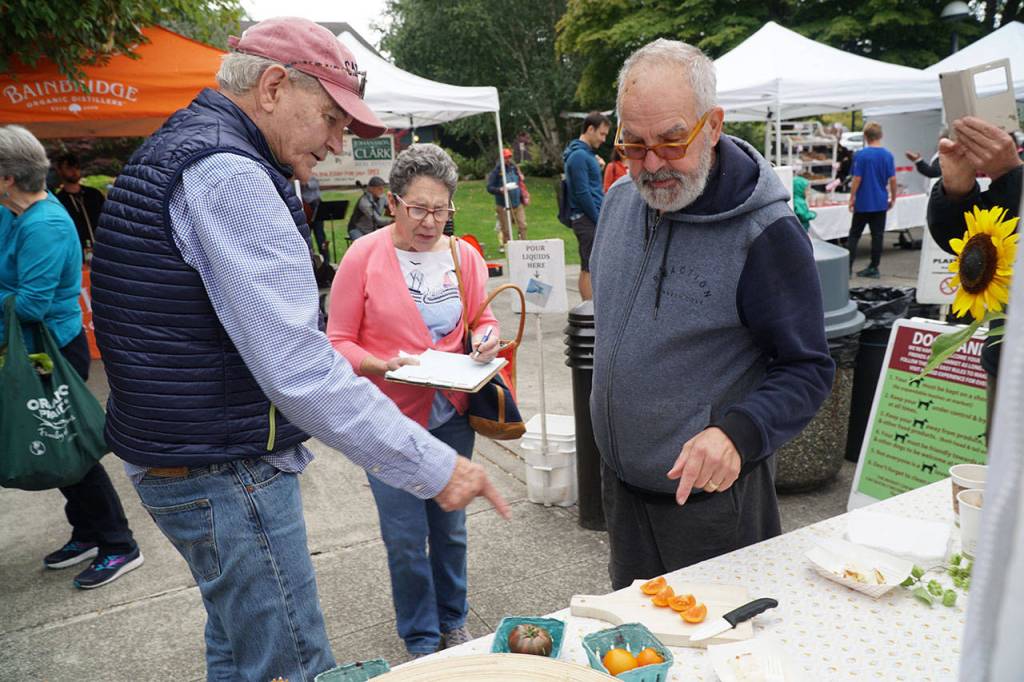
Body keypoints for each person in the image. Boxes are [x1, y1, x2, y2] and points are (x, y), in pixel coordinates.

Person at [88, 18, 508, 682]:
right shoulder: (229, 172)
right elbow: (300, 365)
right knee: (292, 665)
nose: (339, 141)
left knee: (238, 651)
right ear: (275, 87)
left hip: (182, 458)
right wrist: (431, 464)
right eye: (331, 118)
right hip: (224, 469)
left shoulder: (185, 145)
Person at [590, 39, 834, 589]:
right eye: (634, 144)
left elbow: (808, 367)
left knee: (722, 655)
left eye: (672, 141)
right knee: (642, 649)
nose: (651, 165)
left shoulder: (766, 233)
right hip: (623, 494)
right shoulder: (618, 204)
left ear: (714, 125)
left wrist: (738, 434)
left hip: (714, 505)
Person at [328, 144, 500, 657]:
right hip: (385, 420)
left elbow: (482, 319)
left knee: (450, 528)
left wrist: (486, 338)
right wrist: (378, 365)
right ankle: (422, 639)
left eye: (441, 210)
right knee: (405, 539)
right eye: (419, 208)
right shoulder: (363, 256)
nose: (430, 222)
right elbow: (336, 341)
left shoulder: (462, 254)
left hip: (452, 415)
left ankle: (453, 622)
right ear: (394, 203)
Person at [0, 125, 142, 590]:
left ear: (6, 177)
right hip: (37, 349)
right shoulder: (19, 215)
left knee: (69, 451)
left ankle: (120, 545)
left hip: (53, 350)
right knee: (55, 445)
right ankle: (87, 533)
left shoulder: (44, 223)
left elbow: (32, 305)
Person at [926, 116, 1022, 426]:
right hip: (1007, 360)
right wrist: (957, 191)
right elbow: (971, 245)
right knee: (1003, 465)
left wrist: (1011, 175)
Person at [563, 111, 610, 301]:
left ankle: (591, 310)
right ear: (590, 129)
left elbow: (589, 185)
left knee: (590, 264)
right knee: (588, 266)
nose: (604, 139)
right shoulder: (579, 156)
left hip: (587, 217)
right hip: (586, 218)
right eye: (602, 134)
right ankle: (589, 312)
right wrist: (599, 220)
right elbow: (582, 193)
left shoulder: (584, 155)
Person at [847, 121, 896, 278]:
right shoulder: (887, 155)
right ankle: (874, 267)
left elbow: (857, 178)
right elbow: (893, 179)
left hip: (863, 201)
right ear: (880, 135)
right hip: (880, 201)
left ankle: (847, 267)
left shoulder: (861, 155)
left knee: (855, 235)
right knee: (878, 235)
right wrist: (893, 198)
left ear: (865, 137)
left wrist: (852, 197)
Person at [54, 152, 105, 256]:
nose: (74, 171)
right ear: (59, 171)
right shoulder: (58, 201)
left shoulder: (94, 194)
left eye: (77, 167)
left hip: (102, 251)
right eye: (69, 168)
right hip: (75, 255)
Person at [486, 148, 528, 247]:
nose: (508, 159)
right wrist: (500, 190)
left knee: (522, 225)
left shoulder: (514, 167)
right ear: (501, 158)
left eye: (509, 157)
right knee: (506, 230)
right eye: (505, 158)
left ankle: (523, 246)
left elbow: (519, 180)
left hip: (517, 203)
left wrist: (521, 177)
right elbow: (489, 188)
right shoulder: (496, 172)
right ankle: (507, 248)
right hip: (503, 205)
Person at [348, 175, 391, 240]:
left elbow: (392, 208)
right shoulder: (364, 203)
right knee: (362, 246)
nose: (382, 191)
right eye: (379, 189)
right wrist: (393, 221)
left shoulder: (382, 197)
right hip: (358, 229)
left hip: (372, 228)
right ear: (370, 189)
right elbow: (377, 220)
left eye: (383, 188)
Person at [301, 174, 330, 260]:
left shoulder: (312, 178)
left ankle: (326, 262)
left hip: (316, 205)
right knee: (306, 236)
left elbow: (311, 184)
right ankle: (311, 260)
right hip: (304, 207)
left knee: (320, 236)